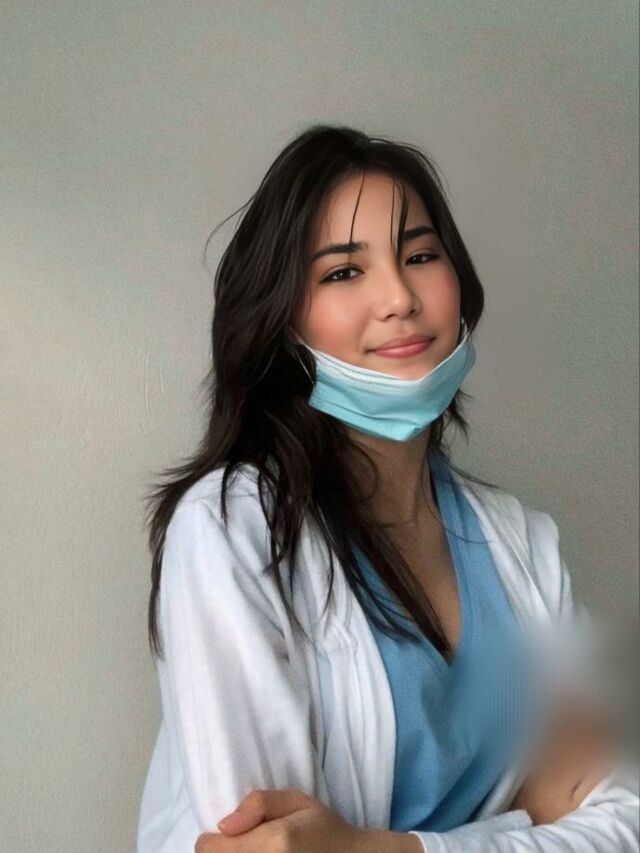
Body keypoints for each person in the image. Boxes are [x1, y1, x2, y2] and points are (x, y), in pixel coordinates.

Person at [137, 125, 638, 853]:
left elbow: (624, 822)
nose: (399, 297)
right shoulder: (231, 531)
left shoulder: (523, 542)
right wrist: (527, 819)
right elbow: (270, 847)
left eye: (420, 256)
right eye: (343, 272)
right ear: (281, 319)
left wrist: (378, 848)